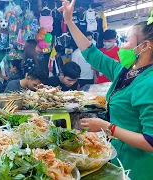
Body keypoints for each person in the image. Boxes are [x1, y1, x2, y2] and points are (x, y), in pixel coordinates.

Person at [59, 1, 153, 179]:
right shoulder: (125, 72)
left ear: (145, 46)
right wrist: (69, 21)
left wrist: (108, 128)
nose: (121, 45)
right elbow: (91, 52)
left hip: (139, 167)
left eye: (126, 40)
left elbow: (151, 141)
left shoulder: (149, 83)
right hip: (119, 157)